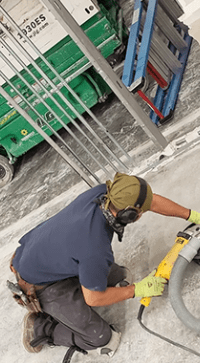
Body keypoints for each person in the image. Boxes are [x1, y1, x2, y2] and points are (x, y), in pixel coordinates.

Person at [9, 172, 200, 360]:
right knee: (103, 339)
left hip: (42, 254)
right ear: (130, 214)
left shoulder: (105, 194)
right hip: (39, 283)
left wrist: (192, 216)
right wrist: (137, 290)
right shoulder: (95, 246)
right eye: (141, 211)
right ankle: (41, 327)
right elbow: (93, 298)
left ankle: (74, 289)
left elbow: (152, 201)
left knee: (118, 277)